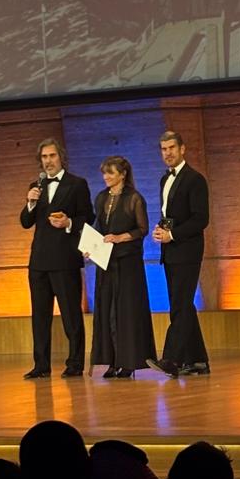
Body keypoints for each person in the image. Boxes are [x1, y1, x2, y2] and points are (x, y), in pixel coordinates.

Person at [20, 137, 92, 379]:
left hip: (65, 259)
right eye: (44, 157)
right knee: (40, 317)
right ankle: (41, 366)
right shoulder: (36, 186)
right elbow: (25, 222)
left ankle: (75, 364)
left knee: (71, 315)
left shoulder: (77, 184)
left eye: (52, 156)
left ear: (61, 157)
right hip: (39, 261)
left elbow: (89, 217)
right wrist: (30, 203)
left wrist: (69, 222)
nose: (48, 161)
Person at [148, 131, 210, 377]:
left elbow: (201, 219)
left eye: (172, 147)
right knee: (181, 305)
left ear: (182, 149)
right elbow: (171, 215)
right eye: (163, 149)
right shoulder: (165, 180)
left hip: (188, 250)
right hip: (171, 251)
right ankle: (198, 361)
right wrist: (162, 230)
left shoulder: (195, 179)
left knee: (180, 305)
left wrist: (173, 235)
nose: (168, 153)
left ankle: (171, 358)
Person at [89, 155, 156, 379]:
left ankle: (128, 362)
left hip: (128, 263)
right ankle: (112, 361)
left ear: (123, 174)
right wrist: (90, 246)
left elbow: (142, 229)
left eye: (111, 173)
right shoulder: (101, 198)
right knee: (107, 311)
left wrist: (121, 237)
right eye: (104, 173)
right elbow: (98, 227)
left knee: (126, 312)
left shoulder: (134, 198)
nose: (106, 177)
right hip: (106, 262)